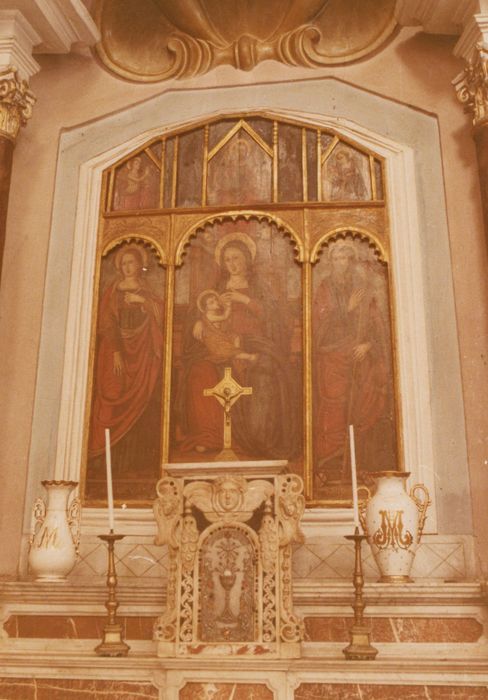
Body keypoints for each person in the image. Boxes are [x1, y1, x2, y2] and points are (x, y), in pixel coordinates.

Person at [175, 231, 298, 460]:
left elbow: (277, 318)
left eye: (236, 258)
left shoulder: (260, 286)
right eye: (228, 260)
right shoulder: (217, 286)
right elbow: (200, 309)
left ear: (247, 260)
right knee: (199, 372)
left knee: (263, 373)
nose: (232, 264)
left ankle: (257, 438)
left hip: (255, 344)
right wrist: (197, 325)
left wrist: (246, 301)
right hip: (219, 344)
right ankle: (209, 436)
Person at [313, 239, 396, 485]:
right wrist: (345, 310)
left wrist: (368, 345)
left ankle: (357, 466)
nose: (342, 264)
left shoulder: (363, 288)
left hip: (359, 357)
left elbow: (376, 325)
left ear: (353, 262)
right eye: (338, 259)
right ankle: (329, 465)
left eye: (347, 259)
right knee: (334, 408)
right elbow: (319, 326)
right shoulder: (325, 288)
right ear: (331, 263)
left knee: (362, 405)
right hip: (332, 359)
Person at [87, 244, 164, 491]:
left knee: (144, 399)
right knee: (112, 394)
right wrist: (118, 352)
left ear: (139, 266)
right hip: (116, 349)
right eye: (124, 264)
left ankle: (137, 460)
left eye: (132, 263)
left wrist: (142, 301)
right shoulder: (112, 290)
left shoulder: (147, 291)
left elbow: (162, 313)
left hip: (142, 351)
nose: (128, 267)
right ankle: (105, 457)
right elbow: (106, 323)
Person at [193, 288, 257, 364]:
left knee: (236, 337)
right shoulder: (209, 316)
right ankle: (249, 357)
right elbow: (225, 317)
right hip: (216, 342)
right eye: (211, 302)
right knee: (226, 351)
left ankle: (236, 353)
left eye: (216, 299)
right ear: (206, 308)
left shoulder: (216, 312)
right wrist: (229, 306)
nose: (216, 302)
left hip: (223, 336)